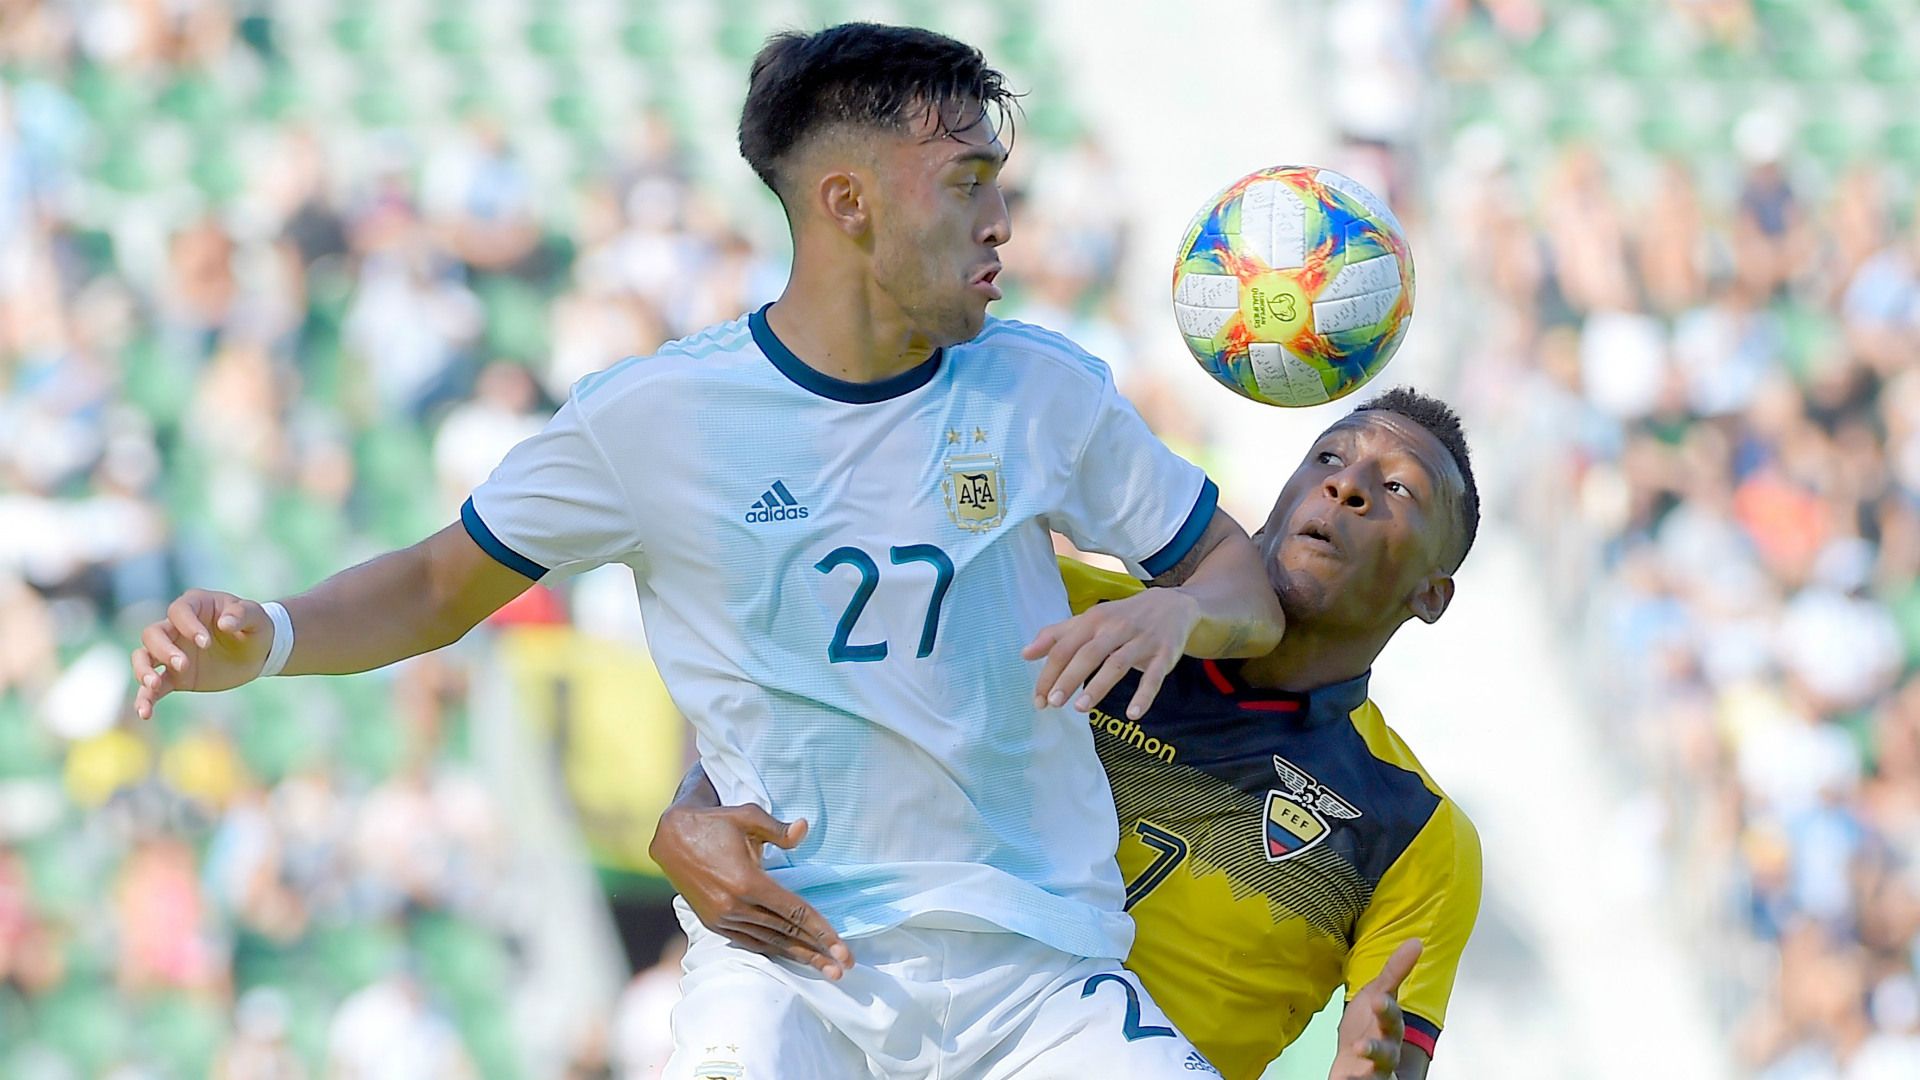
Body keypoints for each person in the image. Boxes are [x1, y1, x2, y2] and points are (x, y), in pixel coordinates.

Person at [129, 23, 1285, 1080]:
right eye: (969, 184)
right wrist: (271, 637)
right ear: (848, 201)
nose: (1002, 225)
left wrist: (1182, 611)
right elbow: (440, 583)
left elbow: (1242, 581)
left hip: (1039, 972)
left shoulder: (1045, 391)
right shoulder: (655, 419)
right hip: (786, 961)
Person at [652, 388, 1484, 1080]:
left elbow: (1388, 1057)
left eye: (1399, 488)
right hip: (888, 1018)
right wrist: (700, 804)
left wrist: (1370, 1071)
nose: (1347, 487)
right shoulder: (1053, 602)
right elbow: (808, 700)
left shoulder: (1415, 831)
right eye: (1329, 459)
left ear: (1433, 595)